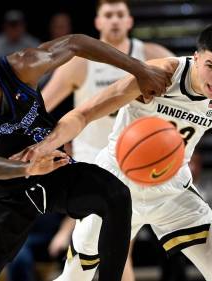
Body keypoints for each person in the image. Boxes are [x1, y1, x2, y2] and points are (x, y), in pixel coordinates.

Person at [19, 23, 212, 281]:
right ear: (196, 57)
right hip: (115, 183)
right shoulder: (158, 75)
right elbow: (85, 113)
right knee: (75, 276)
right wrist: (46, 144)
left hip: (171, 190)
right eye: (210, 65)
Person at [0, 21, 171, 281]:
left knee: (117, 195)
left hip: (55, 170)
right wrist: (27, 167)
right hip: (7, 191)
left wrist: (139, 69)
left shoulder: (20, 66)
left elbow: (76, 42)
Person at [42, 1, 173, 279]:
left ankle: (67, 236)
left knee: (114, 246)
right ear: (98, 22)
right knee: (113, 243)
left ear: (129, 21)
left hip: (135, 162)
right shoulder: (80, 64)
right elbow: (43, 104)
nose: (114, 20)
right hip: (92, 160)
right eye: (108, 15)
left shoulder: (151, 54)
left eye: (120, 15)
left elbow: (192, 80)